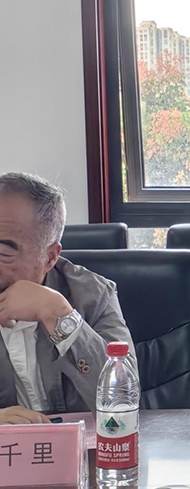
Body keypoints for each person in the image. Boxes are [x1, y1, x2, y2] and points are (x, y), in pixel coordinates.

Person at [0, 173, 133, 425]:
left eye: (3, 252)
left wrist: (60, 316)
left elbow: (122, 402)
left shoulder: (94, 295)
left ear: (50, 257)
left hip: (84, 449)